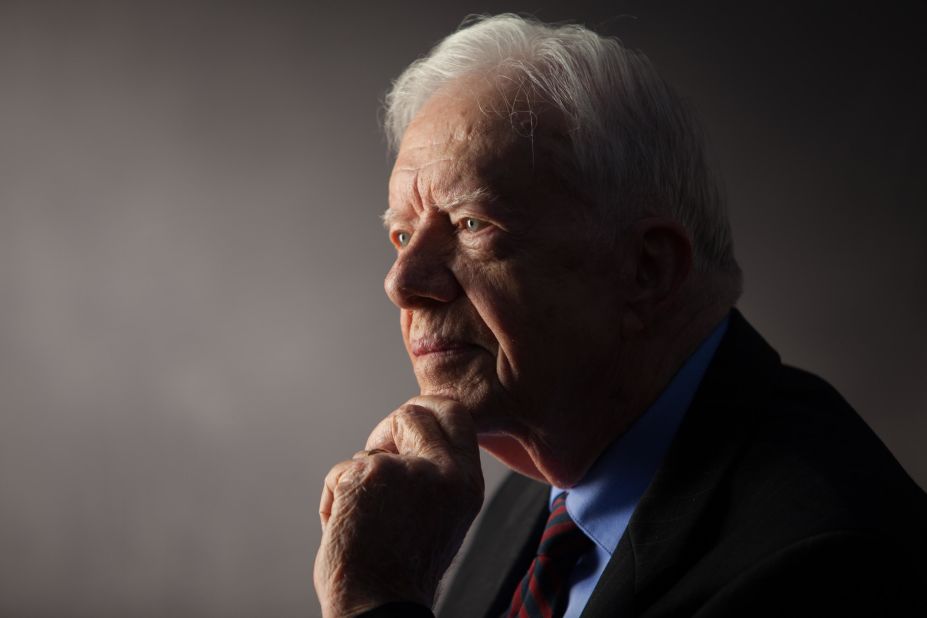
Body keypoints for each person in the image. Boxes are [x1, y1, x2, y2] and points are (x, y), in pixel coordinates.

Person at [314, 14, 927, 618]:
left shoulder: (825, 563)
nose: (402, 283)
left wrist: (377, 600)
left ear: (648, 270)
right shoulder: (544, 472)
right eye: (401, 236)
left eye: (472, 225)